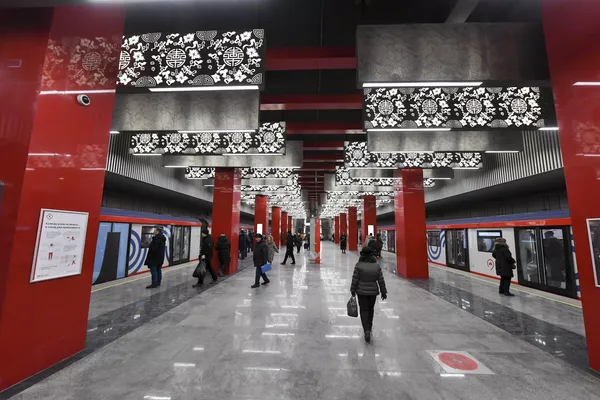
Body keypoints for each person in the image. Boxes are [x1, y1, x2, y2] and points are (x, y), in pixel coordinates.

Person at [350, 246, 387, 343]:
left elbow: (355, 279)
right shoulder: (376, 266)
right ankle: (369, 328)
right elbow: (381, 280)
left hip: (361, 292)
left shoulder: (358, 265)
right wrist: (383, 291)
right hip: (373, 293)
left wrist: (352, 290)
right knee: (371, 310)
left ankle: (366, 330)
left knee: (364, 310)